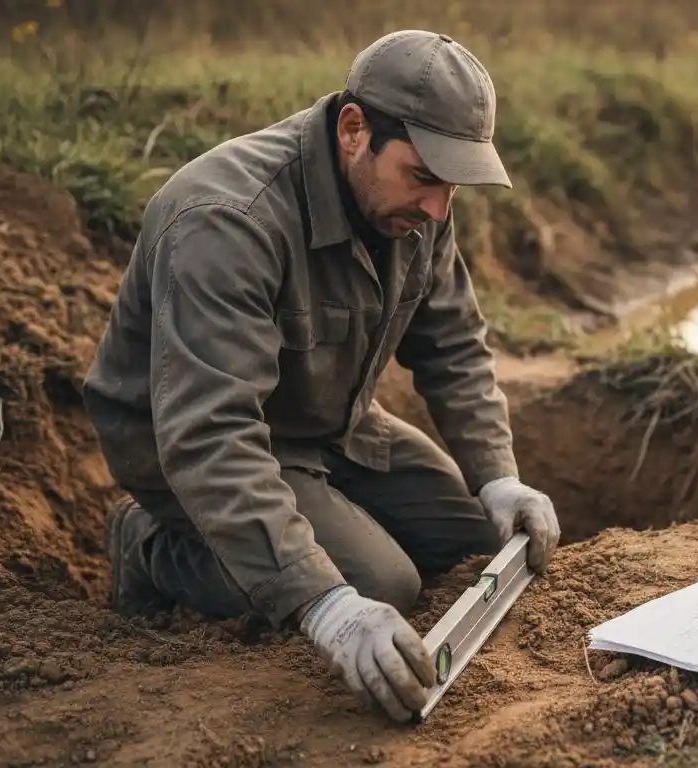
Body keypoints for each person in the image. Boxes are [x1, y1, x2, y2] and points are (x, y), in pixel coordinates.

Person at [80, 29, 561, 724]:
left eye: (452, 185)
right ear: (353, 129)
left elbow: (454, 343)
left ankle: (322, 521)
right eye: (424, 177)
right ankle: (152, 547)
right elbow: (211, 433)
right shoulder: (226, 222)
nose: (438, 208)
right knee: (379, 583)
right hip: (198, 443)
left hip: (329, 420)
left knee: (477, 545)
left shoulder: (420, 208)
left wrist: (497, 474)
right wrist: (326, 604)